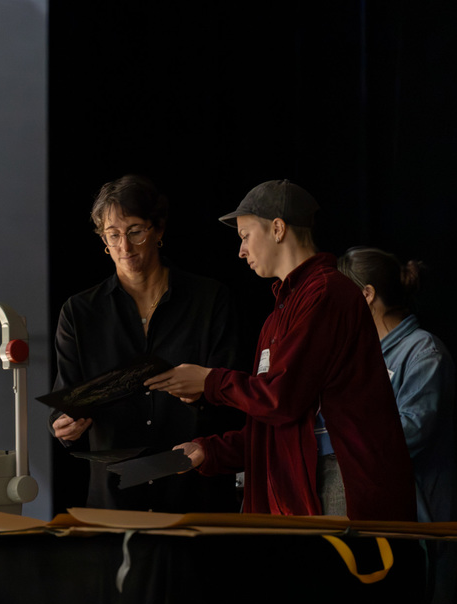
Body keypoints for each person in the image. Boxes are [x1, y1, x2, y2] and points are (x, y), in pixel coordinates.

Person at [146, 179, 416, 521]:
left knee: (338, 574)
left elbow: (280, 400)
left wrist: (210, 381)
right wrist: (207, 450)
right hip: (307, 476)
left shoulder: (327, 294)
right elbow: (273, 424)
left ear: (277, 229)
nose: (240, 250)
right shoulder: (280, 315)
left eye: (245, 236)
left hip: (339, 476)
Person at [49, 174, 241, 513]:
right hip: (115, 499)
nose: (125, 246)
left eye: (135, 230)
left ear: (159, 230)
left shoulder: (209, 299)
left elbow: (235, 395)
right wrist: (65, 425)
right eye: (113, 235)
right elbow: (67, 399)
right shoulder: (79, 312)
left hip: (194, 493)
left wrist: (203, 391)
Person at [338, 246, 457, 604]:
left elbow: (411, 433)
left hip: (420, 526)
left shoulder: (424, 352)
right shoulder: (358, 355)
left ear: (366, 294)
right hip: (371, 523)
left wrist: (335, 434)